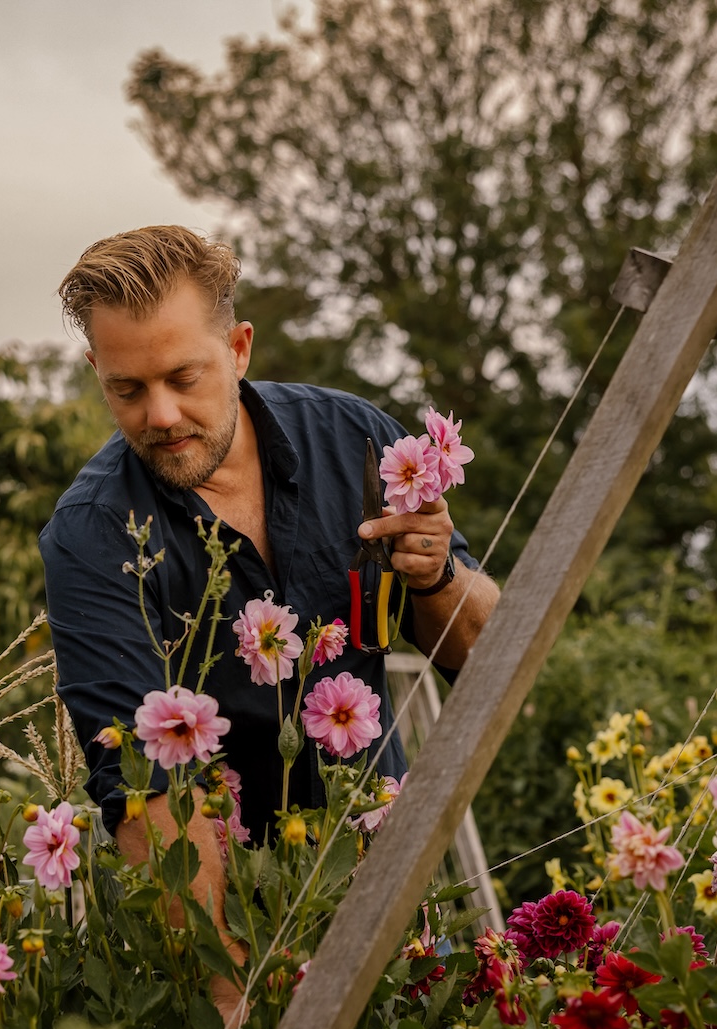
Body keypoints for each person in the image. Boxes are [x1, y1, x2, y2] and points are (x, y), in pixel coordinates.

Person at [40, 225, 500, 920]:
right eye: (126, 388)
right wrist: (232, 974)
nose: (160, 415)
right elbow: (143, 790)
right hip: (225, 916)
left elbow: (488, 657)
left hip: (386, 899)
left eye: (183, 378)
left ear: (238, 349)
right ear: (95, 369)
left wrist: (435, 576)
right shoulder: (92, 534)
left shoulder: (357, 443)